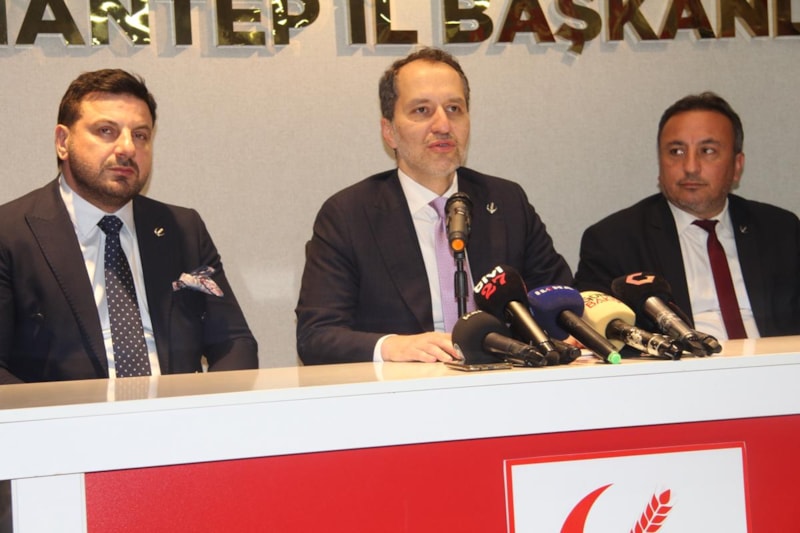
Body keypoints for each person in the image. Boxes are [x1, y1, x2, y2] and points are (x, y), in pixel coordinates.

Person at [295, 47, 573, 365]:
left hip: (507, 379)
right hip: (405, 388)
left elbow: (558, 297)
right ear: (389, 131)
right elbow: (315, 336)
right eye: (422, 110)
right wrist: (391, 347)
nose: (443, 125)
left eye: (454, 108)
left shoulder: (506, 202)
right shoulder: (349, 215)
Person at [0, 69, 258, 384]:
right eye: (106, 131)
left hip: (176, 410)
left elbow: (234, 342)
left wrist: (205, 407)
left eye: (140, 135)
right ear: (63, 142)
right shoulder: (10, 234)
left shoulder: (183, 229)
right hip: (64, 414)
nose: (127, 148)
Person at [575, 91, 800, 340]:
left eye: (708, 150)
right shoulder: (614, 241)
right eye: (676, 152)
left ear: (737, 166)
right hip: (681, 364)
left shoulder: (781, 230)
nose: (691, 167)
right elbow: (597, 334)